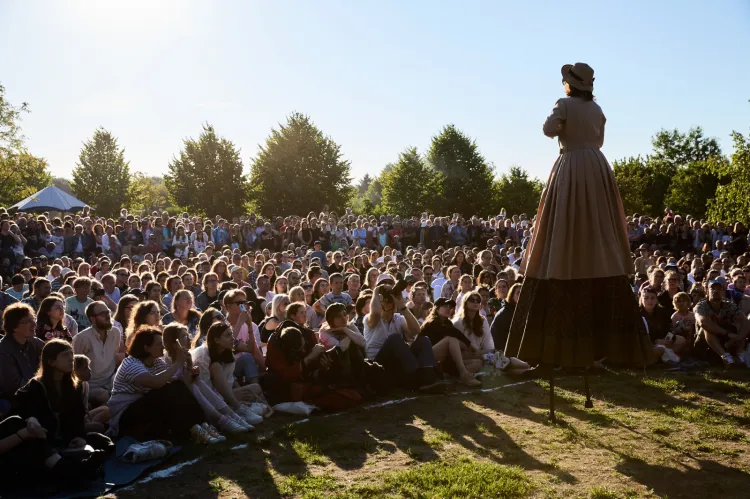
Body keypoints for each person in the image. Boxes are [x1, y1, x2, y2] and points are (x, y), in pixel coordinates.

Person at [506, 63, 654, 384]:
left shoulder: (564, 104)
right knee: (599, 241)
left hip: (571, 168)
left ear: (570, 84)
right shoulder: (598, 108)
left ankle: (550, 356)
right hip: (598, 170)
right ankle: (601, 352)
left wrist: (560, 115)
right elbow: (597, 137)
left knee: (560, 241)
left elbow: (548, 130)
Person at [14, 340, 114, 471]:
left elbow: (78, 417)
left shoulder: (75, 386)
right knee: (45, 453)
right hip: (43, 439)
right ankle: (76, 469)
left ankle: (83, 465)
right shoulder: (36, 386)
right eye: (65, 355)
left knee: (106, 442)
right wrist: (30, 421)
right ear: (51, 362)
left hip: (67, 438)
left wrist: (78, 436)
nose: (71, 359)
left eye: (71, 355)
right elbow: (19, 412)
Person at [108, 327, 211, 442]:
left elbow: (181, 385)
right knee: (166, 391)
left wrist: (188, 365)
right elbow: (156, 383)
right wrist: (177, 363)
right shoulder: (131, 363)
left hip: (145, 409)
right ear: (146, 348)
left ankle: (202, 424)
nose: (163, 347)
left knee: (176, 386)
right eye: (159, 344)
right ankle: (193, 429)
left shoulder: (156, 362)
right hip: (125, 416)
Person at [363, 283, 444, 392]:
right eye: (387, 300)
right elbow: (376, 313)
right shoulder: (370, 319)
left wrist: (402, 306)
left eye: (391, 300)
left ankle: (427, 379)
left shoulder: (398, 318)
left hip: (397, 362)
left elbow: (416, 331)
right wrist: (377, 290)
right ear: (379, 302)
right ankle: (416, 377)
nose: (390, 302)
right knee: (394, 339)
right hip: (378, 364)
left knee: (423, 340)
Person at [190, 322, 264, 427]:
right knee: (216, 367)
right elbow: (205, 390)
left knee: (256, 387)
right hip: (203, 399)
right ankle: (239, 408)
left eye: (232, 334)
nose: (232, 338)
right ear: (216, 340)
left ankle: (239, 407)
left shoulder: (228, 355)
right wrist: (230, 397)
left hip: (222, 396)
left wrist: (229, 396)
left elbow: (227, 386)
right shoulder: (202, 356)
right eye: (228, 335)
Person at [419, 298, 481, 386]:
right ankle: (463, 374)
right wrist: (469, 344)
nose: (448, 309)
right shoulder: (431, 323)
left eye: (450, 307)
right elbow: (453, 333)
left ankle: (449, 376)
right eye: (445, 306)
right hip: (427, 360)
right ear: (436, 308)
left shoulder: (447, 323)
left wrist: (469, 347)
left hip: (443, 361)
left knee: (478, 362)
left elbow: (455, 334)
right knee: (451, 339)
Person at [72, 302, 120, 405]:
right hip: (92, 385)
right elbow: (75, 369)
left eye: (108, 312)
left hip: (112, 382)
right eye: (103, 314)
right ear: (92, 319)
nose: (108, 316)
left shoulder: (115, 333)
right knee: (104, 396)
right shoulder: (82, 338)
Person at [0, 304, 44, 416]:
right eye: (27, 321)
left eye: (33, 319)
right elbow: (13, 387)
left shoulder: (36, 343)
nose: (34, 324)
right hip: (15, 400)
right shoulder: (3, 351)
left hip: (38, 393)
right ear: (14, 327)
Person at [694, 280, 749, 367]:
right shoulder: (701, 305)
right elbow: (703, 322)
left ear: (724, 291)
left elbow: (744, 320)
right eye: (712, 288)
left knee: (739, 324)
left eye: (720, 289)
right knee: (707, 327)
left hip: (726, 341)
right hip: (704, 343)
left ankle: (740, 354)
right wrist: (728, 334)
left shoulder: (728, 304)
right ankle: (726, 357)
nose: (716, 291)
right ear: (707, 291)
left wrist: (739, 337)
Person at [490, 283, 521, 351]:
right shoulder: (505, 313)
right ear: (512, 296)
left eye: (523, 292)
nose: (521, 295)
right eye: (518, 293)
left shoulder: (520, 311)